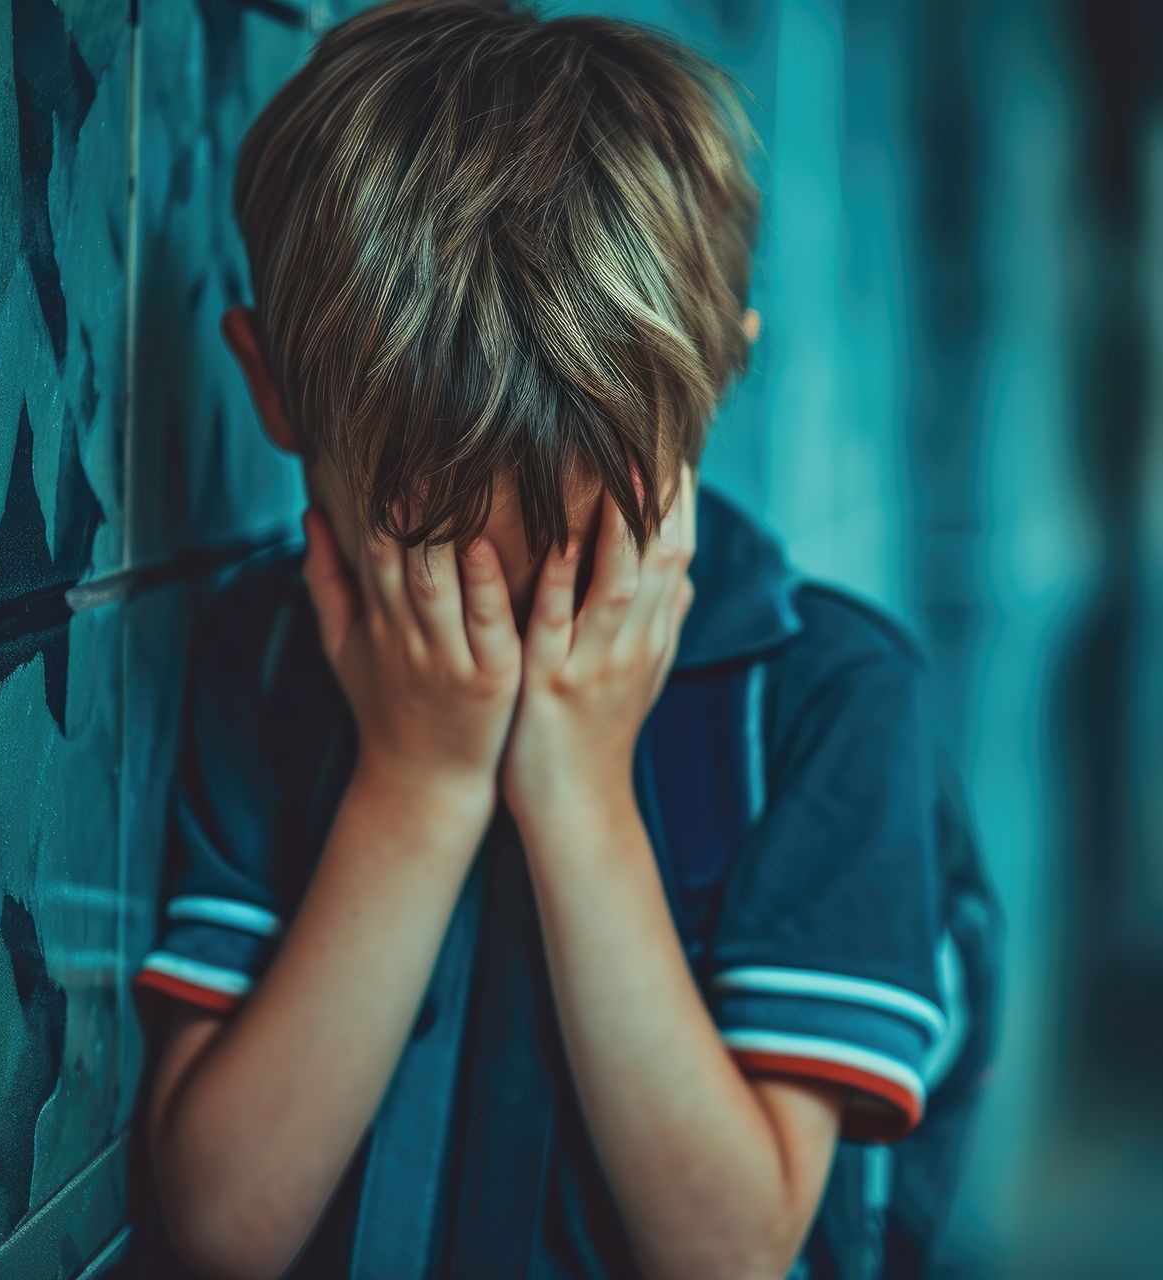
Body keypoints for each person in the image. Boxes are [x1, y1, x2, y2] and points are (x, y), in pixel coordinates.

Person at [131, 3, 966, 1276]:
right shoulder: (262, 650)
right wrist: (418, 787)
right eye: (435, 569)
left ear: (716, 386)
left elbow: (733, 1250)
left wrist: (577, 795)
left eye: (576, 563)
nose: (504, 644)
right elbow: (224, 1224)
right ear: (273, 391)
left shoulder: (832, 701)